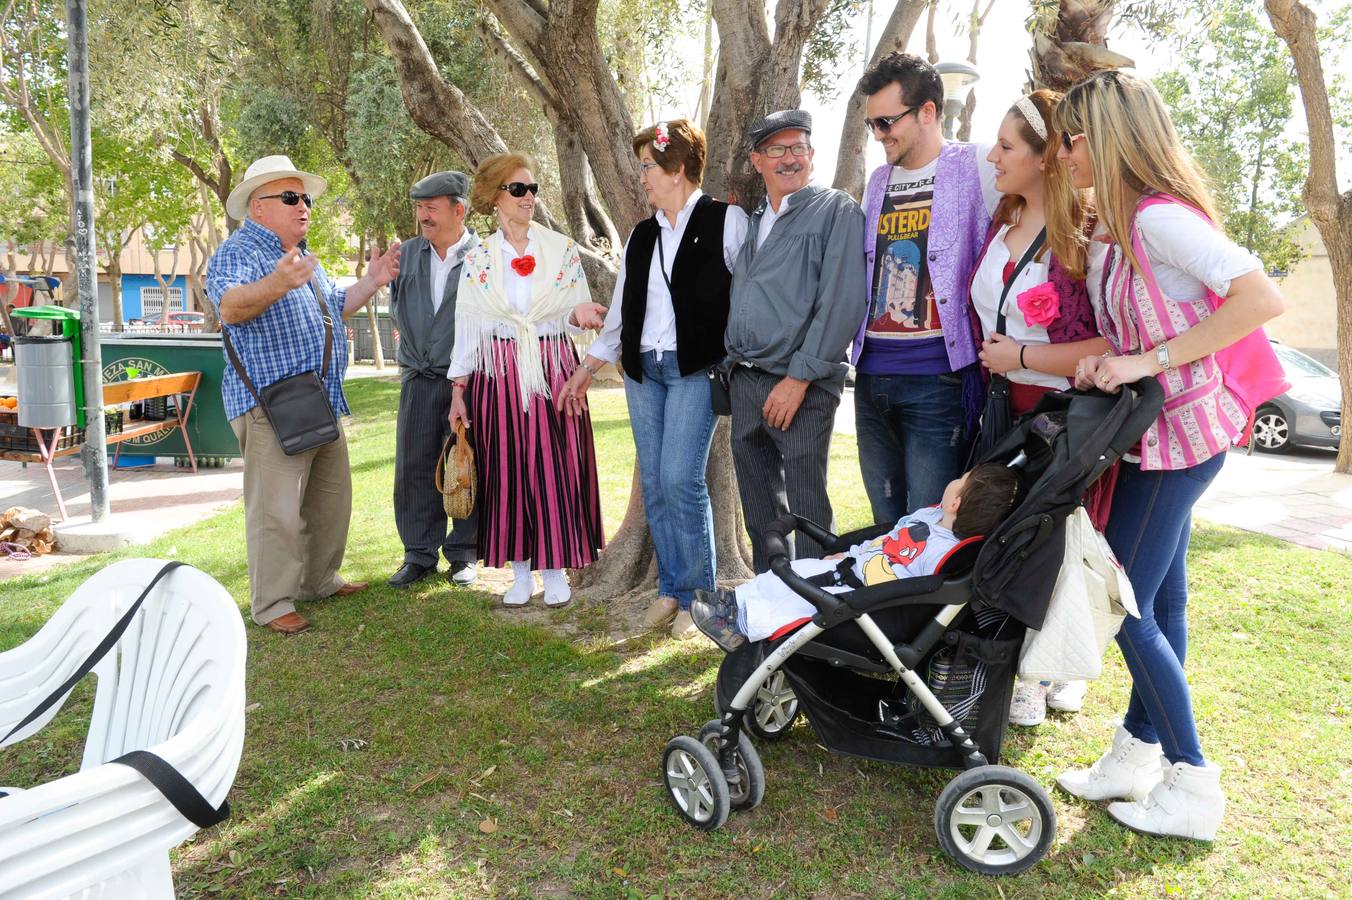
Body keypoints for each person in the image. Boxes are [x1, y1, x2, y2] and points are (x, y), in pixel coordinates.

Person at [1053, 70, 1284, 842]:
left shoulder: (1157, 222)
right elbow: (1133, 339)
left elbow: (1261, 299)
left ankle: (1192, 781)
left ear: (1108, 137)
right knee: (1161, 605)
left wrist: (1144, 362)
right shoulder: (1119, 227)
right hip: (1156, 440)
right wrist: (1108, 360)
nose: (1065, 153)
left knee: (1122, 606)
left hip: (1184, 441)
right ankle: (1139, 751)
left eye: (1073, 137)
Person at [556, 120, 749, 638]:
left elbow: (748, 297)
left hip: (693, 371)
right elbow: (621, 312)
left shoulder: (728, 222)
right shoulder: (642, 234)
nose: (640, 175)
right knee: (657, 488)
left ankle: (700, 600)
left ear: (677, 168)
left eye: (647, 165)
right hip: (644, 371)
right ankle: (670, 590)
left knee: (681, 481)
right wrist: (587, 367)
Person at [207, 154, 400, 634]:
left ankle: (319, 580)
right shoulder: (241, 252)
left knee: (329, 502)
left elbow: (336, 304)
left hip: (319, 400)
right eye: (290, 198)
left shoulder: (302, 256)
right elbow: (229, 306)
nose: (304, 206)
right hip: (272, 406)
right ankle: (273, 603)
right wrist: (276, 282)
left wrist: (372, 282)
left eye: (306, 198)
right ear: (258, 207)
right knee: (275, 512)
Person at [966, 90, 1110, 728]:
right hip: (999, 408)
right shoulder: (1001, 224)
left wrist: (1022, 357)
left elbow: (1110, 343)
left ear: (1045, 156)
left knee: (1053, 539)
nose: (992, 156)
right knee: (1006, 533)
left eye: (1006, 146)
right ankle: (1018, 661)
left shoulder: (1082, 239)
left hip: (1058, 414)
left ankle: (1052, 669)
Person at [447, 152, 608, 607]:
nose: (529, 197)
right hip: (496, 373)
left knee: (556, 465)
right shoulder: (477, 259)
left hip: (552, 365)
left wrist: (580, 317)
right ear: (496, 197)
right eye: (518, 189)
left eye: (533, 189)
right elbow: (467, 329)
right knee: (507, 467)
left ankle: (556, 568)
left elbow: (575, 315)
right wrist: (458, 392)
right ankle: (520, 571)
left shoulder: (561, 250)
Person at [853, 53, 1001, 524]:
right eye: (872, 124)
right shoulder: (878, 180)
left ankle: (921, 603)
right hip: (871, 376)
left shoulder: (975, 165)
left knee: (930, 524)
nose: (879, 134)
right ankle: (889, 600)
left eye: (887, 122)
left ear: (928, 112)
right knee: (885, 521)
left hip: (937, 381)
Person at [724, 109, 867, 572]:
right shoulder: (758, 217)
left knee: (805, 514)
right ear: (757, 159)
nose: (789, 159)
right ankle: (773, 611)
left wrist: (799, 378)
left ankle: (816, 621)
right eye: (776, 150)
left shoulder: (835, 209)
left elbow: (843, 302)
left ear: (811, 154)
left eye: (798, 148)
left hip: (798, 384)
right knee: (760, 513)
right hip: (746, 381)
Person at [692, 463, 1022, 649]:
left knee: (793, 601)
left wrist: (859, 586)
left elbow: (916, 590)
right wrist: (848, 551)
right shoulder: (931, 515)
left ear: (957, 503)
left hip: (862, 599)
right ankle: (731, 602)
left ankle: (739, 626)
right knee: (788, 572)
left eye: (961, 479)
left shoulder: (944, 553)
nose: (956, 477)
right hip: (850, 566)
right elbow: (887, 538)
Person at [386, 171, 482, 589]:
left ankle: (464, 554)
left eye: (432, 207)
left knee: (465, 464)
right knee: (413, 467)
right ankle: (418, 555)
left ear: (458, 210)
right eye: (419, 208)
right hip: (419, 378)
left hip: (470, 381)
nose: (423, 216)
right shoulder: (404, 254)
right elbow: (397, 308)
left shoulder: (484, 256)